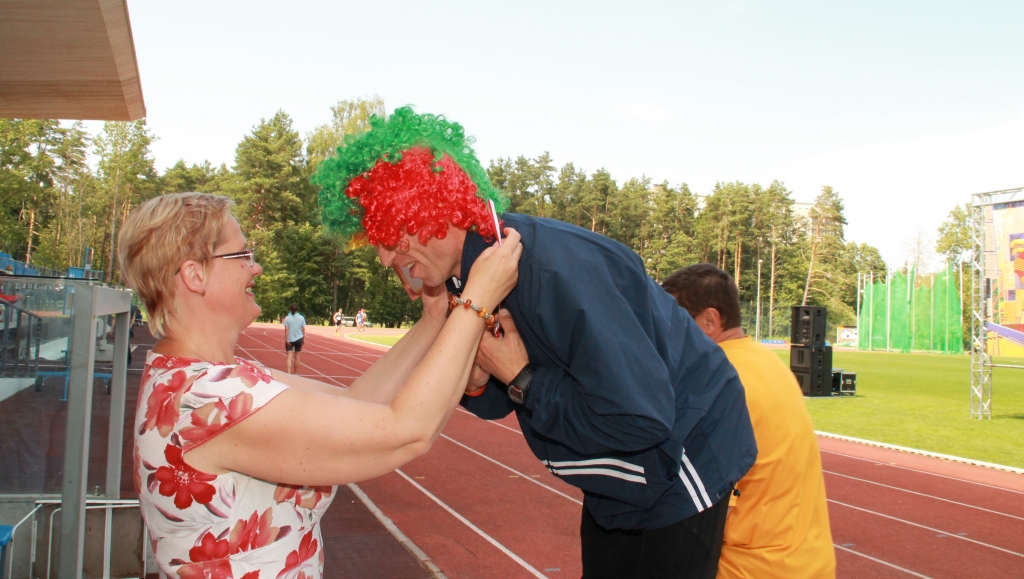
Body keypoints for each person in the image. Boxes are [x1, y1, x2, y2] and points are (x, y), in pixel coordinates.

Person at [313, 107, 757, 579]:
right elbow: (503, 400)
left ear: (430, 213)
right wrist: (483, 379)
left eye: (387, 234)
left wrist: (521, 377)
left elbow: (638, 418)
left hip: (683, 454)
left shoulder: (551, 271)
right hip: (618, 472)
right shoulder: (468, 279)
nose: (384, 258)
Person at [117, 192, 521, 579]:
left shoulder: (195, 377)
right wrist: (478, 298)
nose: (256, 268)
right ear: (194, 274)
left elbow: (357, 401)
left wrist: (433, 319)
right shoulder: (209, 399)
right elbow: (406, 432)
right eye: (242, 255)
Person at [661, 264, 836, 579]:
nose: (665, 333)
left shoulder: (715, 381)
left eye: (673, 321)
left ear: (710, 320)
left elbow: (697, 505)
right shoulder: (769, 363)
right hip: (809, 562)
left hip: (748, 568)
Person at [283, 303, 306, 374]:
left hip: (290, 339)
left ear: (290, 309)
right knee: (297, 357)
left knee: (289, 357)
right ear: (297, 309)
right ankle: (295, 373)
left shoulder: (287, 318)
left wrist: (286, 339)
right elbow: (303, 329)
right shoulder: (301, 318)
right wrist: (303, 338)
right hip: (299, 338)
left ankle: (288, 373)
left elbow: (286, 330)